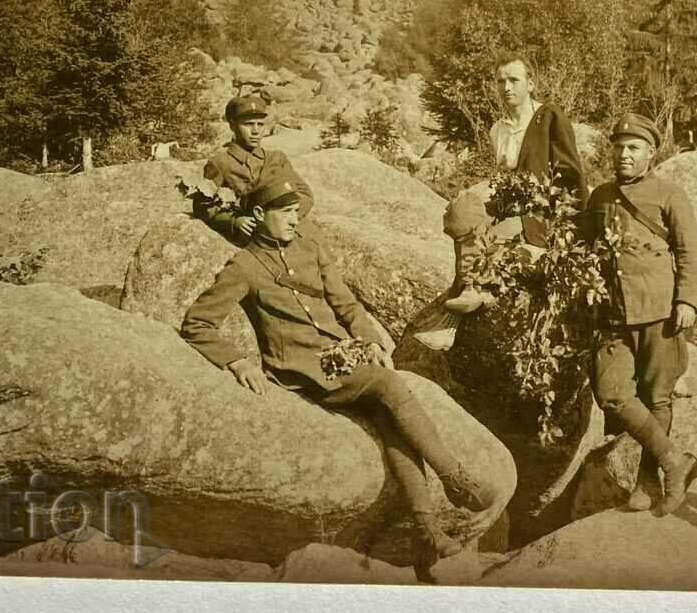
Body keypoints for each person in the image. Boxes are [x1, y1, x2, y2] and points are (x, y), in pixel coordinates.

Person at [181, 178, 499, 580]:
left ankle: (428, 531)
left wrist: (370, 339)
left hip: (341, 360)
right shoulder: (244, 265)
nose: (295, 220)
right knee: (389, 386)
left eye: (298, 211)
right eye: (285, 213)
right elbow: (197, 323)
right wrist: (236, 361)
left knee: (389, 421)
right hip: (301, 370)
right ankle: (455, 478)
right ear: (260, 216)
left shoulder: (311, 248)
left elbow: (345, 303)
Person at [581, 113, 697, 514]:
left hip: (658, 311)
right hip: (612, 314)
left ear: (651, 153)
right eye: (618, 147)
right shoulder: (599, 196)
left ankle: (648, 482)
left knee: (657, 397)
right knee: (613, 395)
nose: (623, 155)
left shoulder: (670, 194)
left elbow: (688, 251)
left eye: (633, 148)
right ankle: (674, 460)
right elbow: (585, 250)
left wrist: (686, 300)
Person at [442, 56, 588, 315]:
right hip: (508, 203)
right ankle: (467, 286)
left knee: (491, 238)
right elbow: (502, 177)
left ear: (530, 84)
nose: (506, 87)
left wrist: (574, 222)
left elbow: (570, 173)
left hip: (541, 210)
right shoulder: (498, 129)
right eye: (500, 82)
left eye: (513, 80)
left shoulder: (549, 117)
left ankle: (477, 287)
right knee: (461, 211)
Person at [194, 95, 314, 245]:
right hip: (251, 239)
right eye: (248, 124)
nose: (256, 131)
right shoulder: (220, 163)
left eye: (260, 124)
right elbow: (202, 207)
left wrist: (286, 217)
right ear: (232, 125)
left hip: (284, 233)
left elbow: (305, 195)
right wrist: (234, 221)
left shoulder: (277, 159)